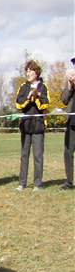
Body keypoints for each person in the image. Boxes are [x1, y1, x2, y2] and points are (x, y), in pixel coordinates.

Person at [15, 60, 48, 191]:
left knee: (38, 156)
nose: (28, 73)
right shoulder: (23, 87)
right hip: (25, 125)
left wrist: (37, 96)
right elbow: (18, 104)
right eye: (27, 71)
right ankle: (22, 183)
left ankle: (37, 184)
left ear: (36, 72)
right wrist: (29, 98)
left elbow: (46, 104)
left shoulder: (43, 87)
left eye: (30, 71)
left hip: (38, 126)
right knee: (24, 155)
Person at [61, 61, 75, 190]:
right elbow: (64, 100)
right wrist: (70, 86)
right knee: (68, 152)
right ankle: (69, 182)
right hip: (71, 122)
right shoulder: (70, 81)